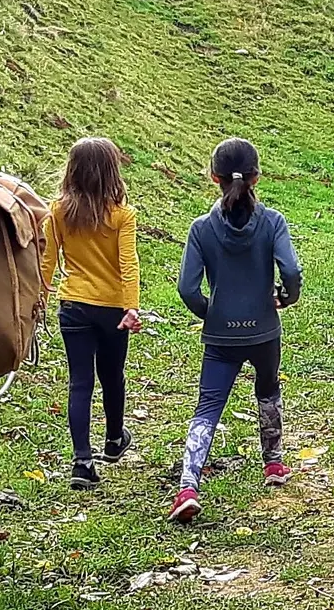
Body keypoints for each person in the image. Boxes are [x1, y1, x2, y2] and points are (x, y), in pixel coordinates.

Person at [169, 138, 302, 523]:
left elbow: (187, 288)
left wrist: (209, 313)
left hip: (220, 336)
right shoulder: (273, 222)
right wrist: (286, 298)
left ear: (214, 178)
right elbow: (290, 271)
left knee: (208, 408)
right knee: (268, 390)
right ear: (257, 177)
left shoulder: (200, 230)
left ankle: (188, 485)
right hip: (264, 330)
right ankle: (274, 465)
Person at [40, 137, 142, 489]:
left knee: (80, 383)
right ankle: (114, 440)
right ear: (112, 172)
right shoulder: (122, 216)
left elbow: (47, 262)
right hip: (113, 309)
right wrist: (131, 306)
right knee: (113, 376)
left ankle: (82, 462)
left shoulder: (57, 212)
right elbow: (128, 264)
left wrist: (40, 297)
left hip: (74, 306)